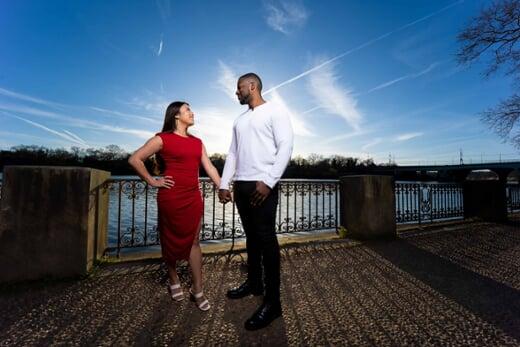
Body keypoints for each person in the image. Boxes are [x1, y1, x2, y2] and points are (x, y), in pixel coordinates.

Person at [128, 101, 221, 311]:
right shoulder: (162, 139)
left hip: (193, 198)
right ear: (176, 116)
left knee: (194, 241)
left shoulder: (198, 142)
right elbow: (135, 159)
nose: (192, 112)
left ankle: (198, 289)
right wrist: (152, 181)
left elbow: (210, 167)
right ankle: (173, 278)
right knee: (169, 240)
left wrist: (223, 186)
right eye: (188, 109)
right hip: (171, 197)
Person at [219, 73, 294, 330]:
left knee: (266, 239)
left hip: (263, 185)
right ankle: (254, 283)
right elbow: (232, 153)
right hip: (241, 185)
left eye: (239, 88)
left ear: (252, 86)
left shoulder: (276, 110)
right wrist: (224, 183)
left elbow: (285, 146)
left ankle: (273, 303)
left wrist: (270, 181)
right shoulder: (239, 120)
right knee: (251, 237)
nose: (236, 93)